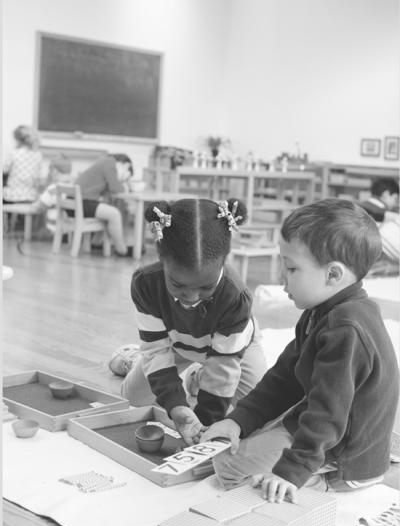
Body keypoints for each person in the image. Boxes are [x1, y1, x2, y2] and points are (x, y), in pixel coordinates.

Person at [201, 198, 399, 502]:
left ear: (333, 275)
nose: (282, 278)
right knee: (239, 440)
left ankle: (320, 487)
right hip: (326, 430)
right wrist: (238, 420)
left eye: (292, 269)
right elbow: (284, 378)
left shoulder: (346, 328)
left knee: (228, 465)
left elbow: (328, 412)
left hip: (347, 459)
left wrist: (291, 471)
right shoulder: (320, 311)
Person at [109, 198, 267, 444]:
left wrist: (205, 421)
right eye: (178, 285)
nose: (191, 298)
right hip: (176, 344)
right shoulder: (145, 283)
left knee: (260, 413)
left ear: (224, 261)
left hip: (234, 351)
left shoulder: (235, 296)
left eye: (205, 287)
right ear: (162, 260)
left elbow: (224, 366)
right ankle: (132, 358)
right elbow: (157, 348)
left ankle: (196, 377)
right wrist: (176, 407)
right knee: (133, 399)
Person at [75, 153, 133, 256]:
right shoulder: (110, 164)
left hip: (76, 202)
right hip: (83, 203)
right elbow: (116, 189)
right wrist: (124, 182)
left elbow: (109, 191)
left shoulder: (104, 162)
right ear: (126, 165)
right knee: (114, 214)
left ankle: (97, 242)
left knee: (108, 210)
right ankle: (122, 250)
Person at [361, 178, 399, 265]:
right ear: (385, 194)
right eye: (395, 199)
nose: (394, 204)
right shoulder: (391, 217)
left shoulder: (354, 208)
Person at [3, 125, 42, 203]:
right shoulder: (38, 155)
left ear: (17, 140)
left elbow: (4, 170)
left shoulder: (14, 153)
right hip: (31, 195)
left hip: (12, 195)